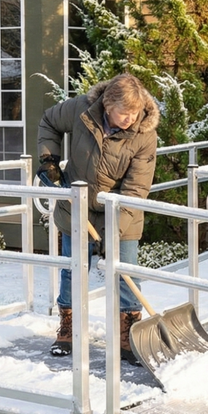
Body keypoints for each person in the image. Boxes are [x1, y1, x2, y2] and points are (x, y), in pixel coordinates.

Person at [36, 73, 159, 358]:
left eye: (135, 112)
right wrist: (49, 159)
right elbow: (49, 121)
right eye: (124, 113)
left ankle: (128, 336)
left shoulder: (144, 134)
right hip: (76, 205)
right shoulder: (81, 111)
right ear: (107, 105)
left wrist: (112, 232)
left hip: (121, 209)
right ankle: (69, 329)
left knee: (126, 272)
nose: (130, 119)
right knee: (73, 270)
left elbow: (136, 189)